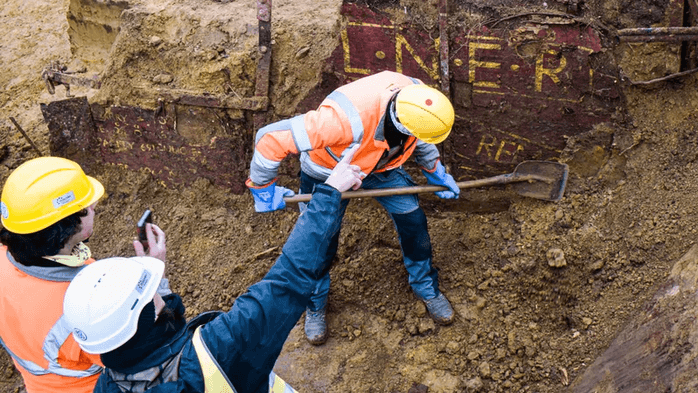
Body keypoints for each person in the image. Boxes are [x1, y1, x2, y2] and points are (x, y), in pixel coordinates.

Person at [62, 148, 366, 392]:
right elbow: (289, 278)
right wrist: (329, 193)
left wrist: (157, 276)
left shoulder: (105, 385)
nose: (158, 291)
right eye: (150, 292)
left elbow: (160, 344)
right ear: (146, 317)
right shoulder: (222, 347)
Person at [245, 70, 460, 345]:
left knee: (413, 221)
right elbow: (270, 139)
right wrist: (263, 188)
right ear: (403, 123)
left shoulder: (418, 97)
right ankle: (315, 303)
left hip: (382, 166)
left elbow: (421, 135)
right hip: (328, 171)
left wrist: (434, 169)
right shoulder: (341, 122)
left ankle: (425, 287)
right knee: (320, 239)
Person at [0, 156, 167, 393]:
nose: (94, 208)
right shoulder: (81, 304)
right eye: (87, 207)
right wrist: (154, 279)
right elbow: (149, 347)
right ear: (68, 224)